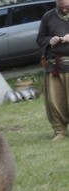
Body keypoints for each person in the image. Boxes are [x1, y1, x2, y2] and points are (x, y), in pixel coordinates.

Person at [37, 0, 69, 141]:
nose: (64, 10)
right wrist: (50, 40)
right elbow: (40, 39)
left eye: (67, 7)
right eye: (61, 7)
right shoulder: (48, 17)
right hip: (55, 66)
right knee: (55, 101)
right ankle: (59, 131)